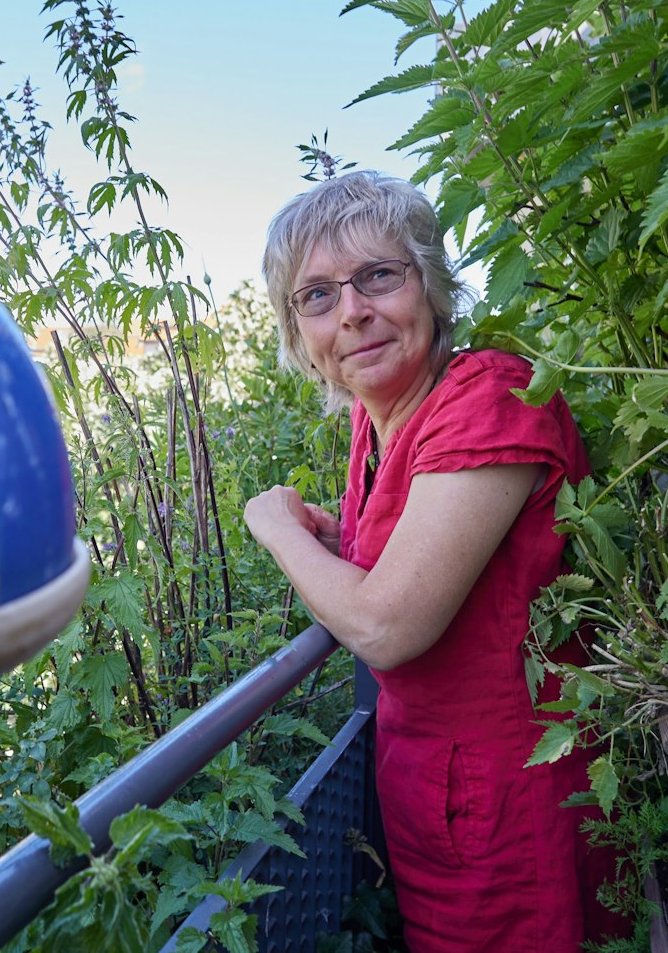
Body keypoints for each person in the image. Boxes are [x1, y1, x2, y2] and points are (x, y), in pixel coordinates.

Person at [243, 171, 624, 953]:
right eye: (316, 296)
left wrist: (276, 528)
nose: (352, 311)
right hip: (430, 801)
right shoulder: (376, 422)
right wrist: (334, 546)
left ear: (432, 285)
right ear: (298, 332)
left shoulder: (491, 398)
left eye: (379, 275)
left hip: (519, 806)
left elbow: (386, 624)